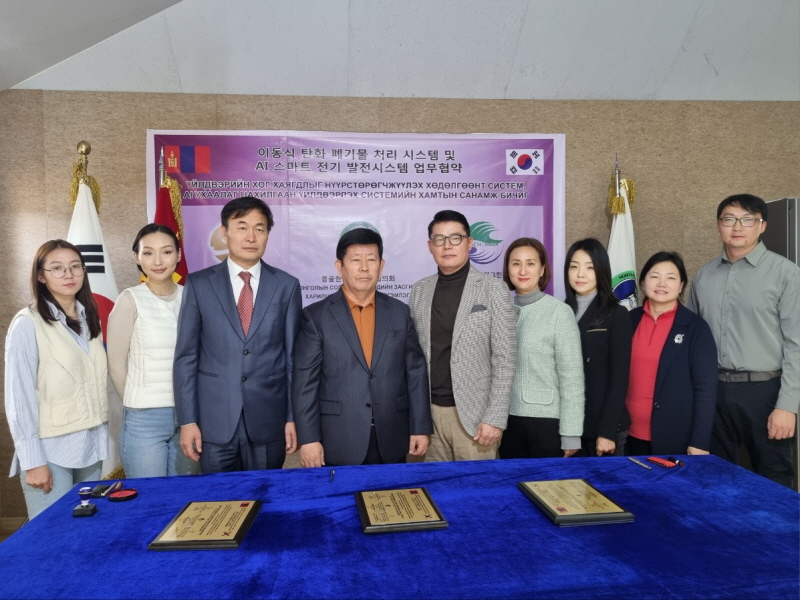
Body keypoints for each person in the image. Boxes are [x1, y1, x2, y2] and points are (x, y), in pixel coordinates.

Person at [173, 196, 302, 473]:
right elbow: (186, 358)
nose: (251, 237)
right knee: (219, 497)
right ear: (225, 232)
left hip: (269, 421)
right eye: (242, 227)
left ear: (267, 235)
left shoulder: (287, 286)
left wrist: (292, 417)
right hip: (214, 424)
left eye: (259, 228)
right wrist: (188, 421)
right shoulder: (199, 284)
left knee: (266, 494)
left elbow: (293, 358)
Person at [293, 228, 432, 466]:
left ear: (382, 265)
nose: (364, 268)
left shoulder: (399, 312)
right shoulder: (316, 317)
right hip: (339, 438)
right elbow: (305, 384)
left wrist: (420, 427)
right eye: (356, 260)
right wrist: (309, 439)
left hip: (392, 434)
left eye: (371, 260)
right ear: (340, 267)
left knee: (393, 490)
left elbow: (416, 374)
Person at [688, 194, 800, 487]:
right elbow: (692, 341)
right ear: (718, 225)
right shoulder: (704, 276)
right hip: (713, 391)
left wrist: (787, 406)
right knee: (714, 476)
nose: (737, 227)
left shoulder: (786, 274)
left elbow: (797, 344)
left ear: (762, 226)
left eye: (747, 220)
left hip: (765, 392)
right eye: (729, 219)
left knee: (773, 478)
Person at [4, 240, 108, 519]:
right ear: (41, 275)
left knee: (85, 532)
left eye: (75, 267)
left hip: (90, 445)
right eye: (57, 268)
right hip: (50, 450)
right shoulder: (27, 323)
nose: (68, 274)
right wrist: (33, 460)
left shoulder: (89, 317)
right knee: (53, 535)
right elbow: (19, 399)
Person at [409, 210, 516, 461]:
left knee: (477, 486)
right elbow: (413, 357)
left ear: (469, 242)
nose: (447, 245)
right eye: (439, 239)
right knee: (432, 485)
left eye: (455, 238)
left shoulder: (493, 289)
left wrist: (494, 418)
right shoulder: (419, 291)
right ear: (430, 246)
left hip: (475, 420)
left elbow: (506, 358)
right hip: (429, 419)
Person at [107, 224, 199, 478]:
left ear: (178, 255)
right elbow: (116, 365)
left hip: (189, 416)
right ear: (137, 257)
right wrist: (137, 403)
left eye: (166, 252)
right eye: (148, 253)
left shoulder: (192, 297)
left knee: (184, 495)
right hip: (144, 420)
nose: (158, 261)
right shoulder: (129, 300)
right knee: (150, 495)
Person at [498, 238, 585, 459]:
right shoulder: (500, 309)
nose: (523, 270)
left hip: (546, 424)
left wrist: (571, 433)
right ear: (507, 269)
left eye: (530, 263)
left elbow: (572, 379)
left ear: (542, 268)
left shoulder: (559, 312)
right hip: (505, 422)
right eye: (516, 263)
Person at [625, 251, 717, 456]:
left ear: (681, 285)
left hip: (676, 437)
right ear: (643, 282)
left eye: (671, 278)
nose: (662, 283)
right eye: (655, 276)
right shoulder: (628, 321)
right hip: (627, 435)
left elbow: (706, 389)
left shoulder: (696, 328)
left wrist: (700, 441)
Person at [564, 238, 632, 457]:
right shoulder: (560, 311)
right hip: (568, 427)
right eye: (574, 267)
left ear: (601, 270)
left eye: (590, 267)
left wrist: (607, 432)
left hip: (602, 428)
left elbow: (619, 378)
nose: (580, 274)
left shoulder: (617, 314)